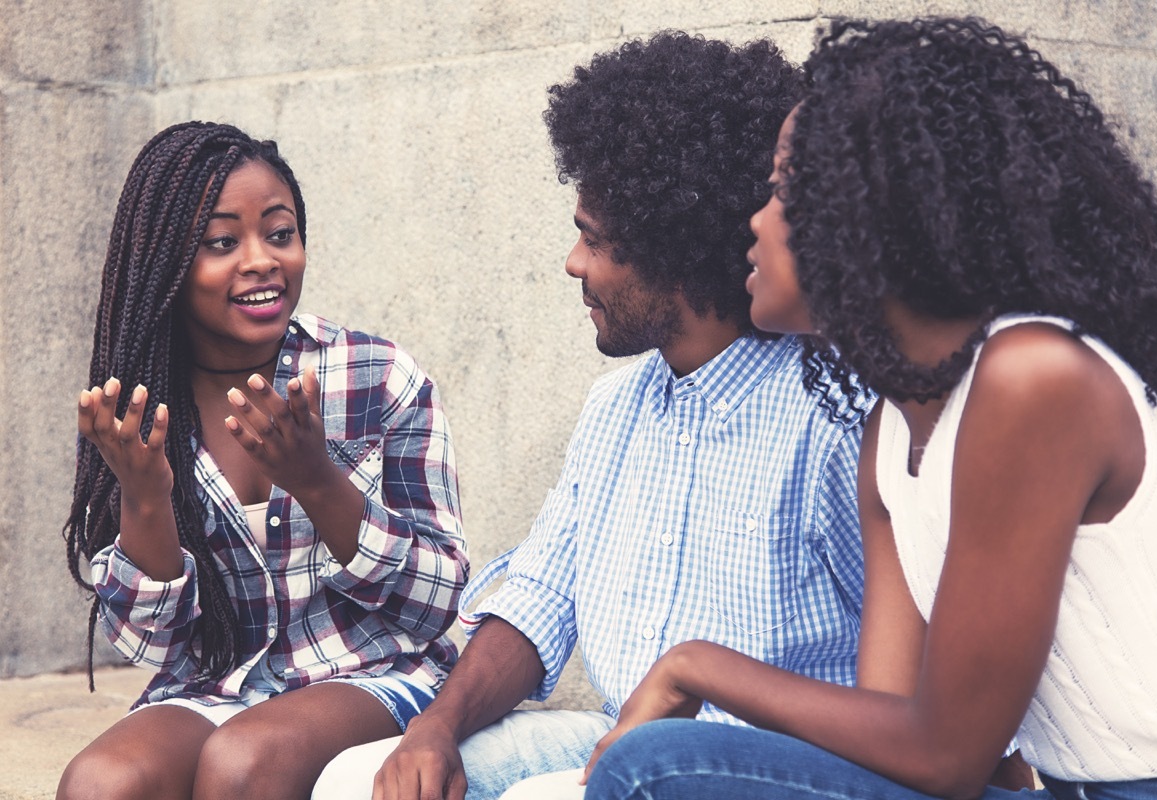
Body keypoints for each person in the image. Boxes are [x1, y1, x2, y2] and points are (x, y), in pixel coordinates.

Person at [579, 16, 1157, 800]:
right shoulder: (896, 428)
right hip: (1071, 790)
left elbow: (949, 757)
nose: (755, 220)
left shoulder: (1033, 376)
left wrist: (694, 666)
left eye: (780, 189)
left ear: (868, 212)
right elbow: (893, 734)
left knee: (658, 767)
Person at [313, 31, 872, 800]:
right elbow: (539, 595)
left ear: (677, 251)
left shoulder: (833, 417)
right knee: (357, 781)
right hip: (619, 740)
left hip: (770, 774)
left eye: (594, 239)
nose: (574, 263)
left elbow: (925, 695)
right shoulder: (616, 409)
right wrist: (433, 731)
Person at [58, 121, 469, 800]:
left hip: (370, 671)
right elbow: (153, 649)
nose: (262, 260)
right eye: (223, 243)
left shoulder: (375, 377)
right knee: (99, 782)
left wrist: (317, 481)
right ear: (165, 265)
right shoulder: (139, 410)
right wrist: (146, 498)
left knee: (244, 761)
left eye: (280, 234)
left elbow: (434, 602)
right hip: (218, 686)